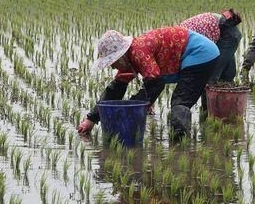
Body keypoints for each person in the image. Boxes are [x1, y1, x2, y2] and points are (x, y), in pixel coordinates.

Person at [77, 27, 219, 138]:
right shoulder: (130, 59)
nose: (113, 67)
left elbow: (155, 84)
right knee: (182, 98)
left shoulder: (138, 51)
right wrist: (91, 119)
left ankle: (180, 145)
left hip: (200, 53)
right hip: (200, 53)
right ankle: (187, 137)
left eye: (112, 62)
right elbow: (115, 90)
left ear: (121, 56)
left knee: (180, 102)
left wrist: (131, 108)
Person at [180, 9, 243, 84]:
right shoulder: (180, 34)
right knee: (225, 60)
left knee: (213, 72)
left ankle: (215, 88)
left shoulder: (184, 40)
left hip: (227, 31)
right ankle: (225, 85)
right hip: (220, 27)